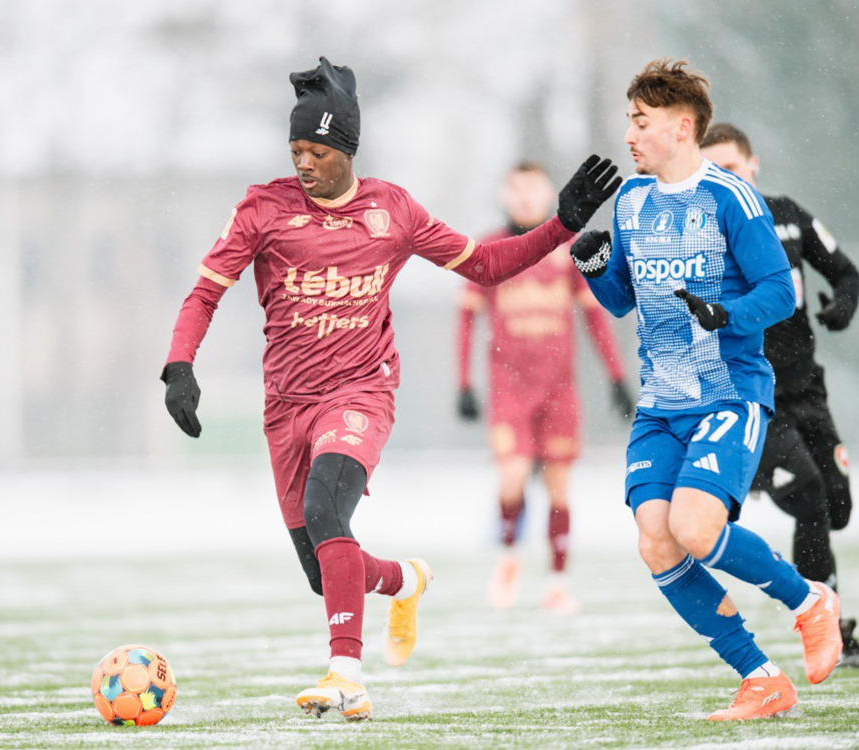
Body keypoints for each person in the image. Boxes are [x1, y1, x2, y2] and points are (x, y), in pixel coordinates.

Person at [161, 57, 621, 721]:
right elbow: (205, 292)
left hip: (360, 393)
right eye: (296, 150)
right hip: (285, 406)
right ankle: (403, 581)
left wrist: (559, 225)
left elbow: (486, 265)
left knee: (327, 510)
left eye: (318, 151)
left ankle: (345, 676)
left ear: (347, 149)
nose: (304, 163)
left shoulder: (392, 210)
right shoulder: (263, 209)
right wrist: (179, 365)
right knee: (323, 572)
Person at [569, 58, 843, 721]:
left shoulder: (732, 199)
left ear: (681, 126)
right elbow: (621, 300)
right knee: (656, 541)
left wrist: (727, 314)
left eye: (641, 122)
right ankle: (759, 678)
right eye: (628, 122)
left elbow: (779, 292)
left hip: (729, 394)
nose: (629, 135)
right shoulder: (631, 201)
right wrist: (592, 262)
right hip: (660, 404)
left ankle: (809, 601)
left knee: (694, 528)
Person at [700, 123, 859, 667]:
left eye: (730, 168)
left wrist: (842, 306)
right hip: (752, 396)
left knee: (836, 508)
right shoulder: (702, 231)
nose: (723, 179)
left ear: (753, 165)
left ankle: (822, 606)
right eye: (711, 171)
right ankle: (828, 626)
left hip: (807, 390)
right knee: (811, 495)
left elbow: (846, 272)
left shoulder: (788, 216)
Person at [456, 161, 633, 612]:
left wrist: (616, 377)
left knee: (558, 485)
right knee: (512, 477)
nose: (525, 197)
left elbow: (595, 316)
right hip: (509, 389)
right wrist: (464, 383)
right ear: (504, 195)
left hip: (559, 390)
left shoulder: (568, 249)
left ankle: (557, 583)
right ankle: (508, 559)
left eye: (533, 188)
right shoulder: (489, 248)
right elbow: (466, 319)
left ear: (549, 193)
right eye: (516, 188)